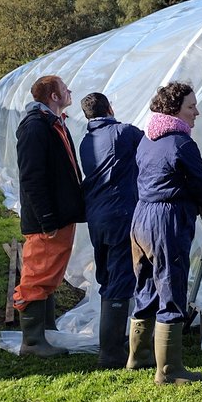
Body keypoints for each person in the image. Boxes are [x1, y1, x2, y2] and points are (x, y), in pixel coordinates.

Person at [130, 81, 202, 384]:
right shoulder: (180, 142)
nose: (197, 112)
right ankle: (169, 370)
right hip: (166, 219)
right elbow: (201, 182)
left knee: (145, 285)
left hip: (141, 216)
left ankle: (137, 356)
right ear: (175, 110)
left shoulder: (148, 139)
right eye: (191, 106)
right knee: (171, 286)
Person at [14, 75, 85, 357]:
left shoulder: (53, 123)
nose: (69, 92)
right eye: (64, 89)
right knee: (37, 274)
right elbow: (32, 177)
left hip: (58, 214)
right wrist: (46, 218)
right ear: (53, 96)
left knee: (50, 273)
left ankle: (46, 330)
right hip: (47, 219)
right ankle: (32, 342)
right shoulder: (35, 127)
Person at [79, 92, 145, 369]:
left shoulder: (86, 141)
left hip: (96, 217)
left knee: (106, 276)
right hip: (120, 215)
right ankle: (112, 354)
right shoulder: (124, 133)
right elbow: (152, 147)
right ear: (110, 108)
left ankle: (112, 347)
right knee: (120, 280)